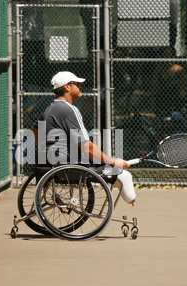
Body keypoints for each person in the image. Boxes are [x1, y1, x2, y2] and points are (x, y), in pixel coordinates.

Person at [32, 71, 136, 205]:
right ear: (67, 87)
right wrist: (113, 162)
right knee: (123, 175)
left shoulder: (49, 108)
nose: (81, 87)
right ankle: (131, 200)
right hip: (68, 167)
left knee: (113, 170)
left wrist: (43, 150)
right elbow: (87, 148)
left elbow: (34, 129)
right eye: (77, 84)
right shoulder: (70, 110)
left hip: (49, 164)